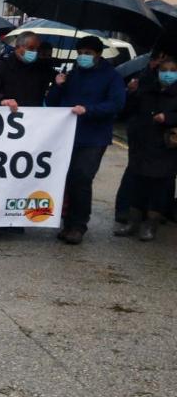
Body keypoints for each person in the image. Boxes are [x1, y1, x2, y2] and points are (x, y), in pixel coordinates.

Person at [46, 35, 127, 245]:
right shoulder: (72, 74)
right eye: (80, 53)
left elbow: (116, 104)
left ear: (98, 55)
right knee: (69, 179)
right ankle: (68, 223)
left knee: (82, 178)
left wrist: (89, 110)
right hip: (68, 136)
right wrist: (58, 85)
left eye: (88, 54)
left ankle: (78, 225)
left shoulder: (111, 77)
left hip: (94, 137)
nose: (83, 57)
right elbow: (53, 102)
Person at [115, 57, 177, 240]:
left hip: (166, 147)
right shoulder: (146, 89)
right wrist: (131, 92)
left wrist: (168, 118)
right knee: (137, 185)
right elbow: (126, 111)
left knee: (158, 188)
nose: (168, 74)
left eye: (173, 70)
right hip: (142, 144)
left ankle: (151, 225)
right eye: (164, 69)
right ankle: (133, 223)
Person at [0, 31, 53, 112]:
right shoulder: (2, 65)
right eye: (31, 48)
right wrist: (2, 100)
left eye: (37, 50)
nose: (34, 52)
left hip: (32, 119)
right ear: (17, 47)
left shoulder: (40, 68)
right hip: (6, 116)